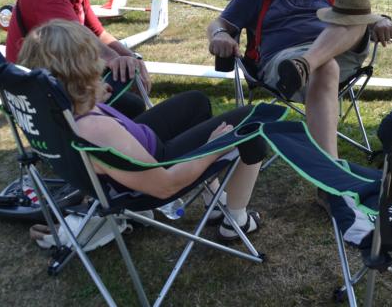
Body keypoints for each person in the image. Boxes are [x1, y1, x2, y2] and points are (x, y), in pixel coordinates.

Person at [18, 19, 264, 241]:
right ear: (81, 69)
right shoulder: (96, 130)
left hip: (137, 151)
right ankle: (236, 221)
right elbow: (165, 186)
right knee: (252, 120)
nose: (100, 61)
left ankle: (214, 202)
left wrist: (91, 97)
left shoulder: (54, 111)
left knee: (195, 102)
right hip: (156, 174)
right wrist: (213, 148)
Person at [206, 0, 392, 158]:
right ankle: (328, 168)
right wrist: (220, 34)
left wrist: (381, 20)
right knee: (326, 66)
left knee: (353, 15)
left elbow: (361, 15)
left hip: (339, 54)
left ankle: (306, 64)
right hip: (284, 62)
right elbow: (218, 23)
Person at [5, 0, 149, 118]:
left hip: (62, 74)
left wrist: (132, 58)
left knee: (129, 89)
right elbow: (78, 38)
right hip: (39, 87)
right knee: (132, 105)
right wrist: (116, 60)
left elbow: (97, 32)